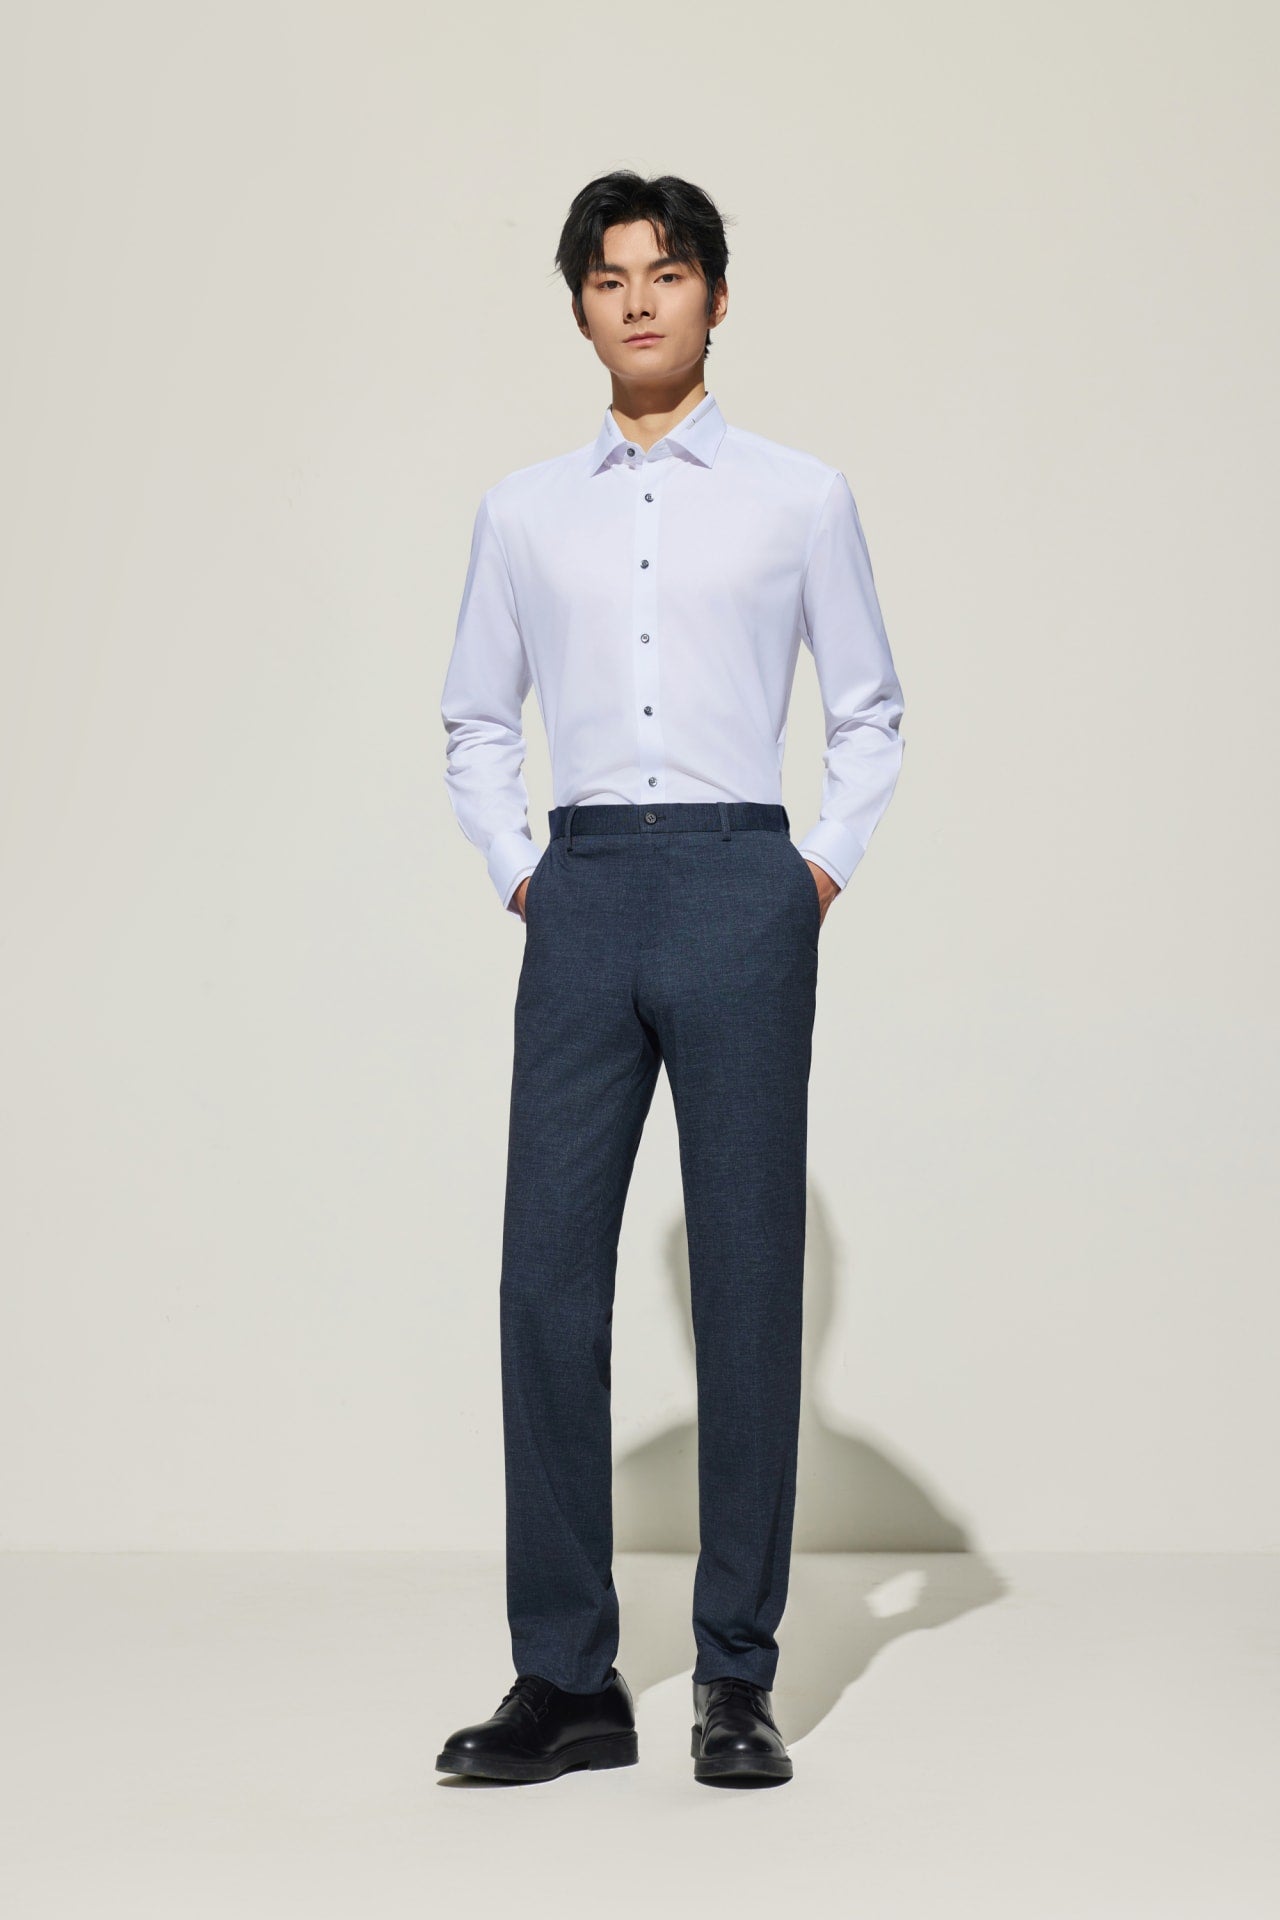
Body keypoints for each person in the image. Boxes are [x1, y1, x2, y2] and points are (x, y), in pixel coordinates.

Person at [434, 170, 905, 1788]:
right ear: (580, 305)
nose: (639, 298)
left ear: (715, 295)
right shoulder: (522, 512)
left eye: (669, 270)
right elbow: (476, 718)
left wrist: (809, 873)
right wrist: (522, 871)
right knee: (543, 1284)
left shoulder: (800, 497)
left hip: (737, 883)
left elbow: (869, 708)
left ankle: (735, 1679)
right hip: (583, 889)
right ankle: (567, 1679)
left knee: (750, 1277)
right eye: (609, 276)